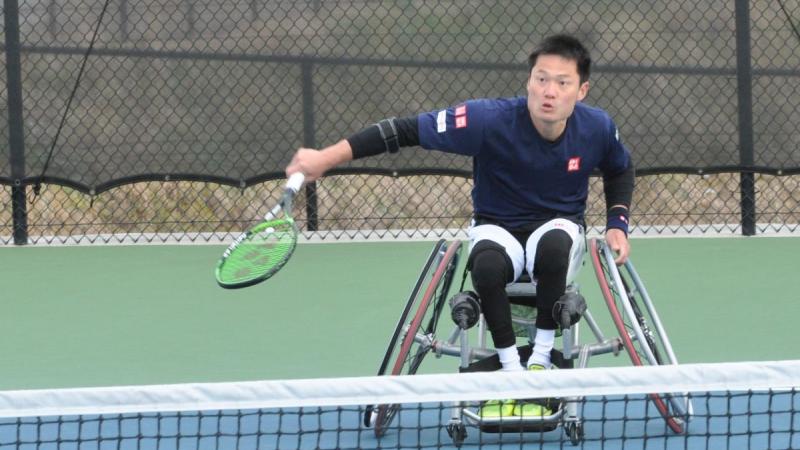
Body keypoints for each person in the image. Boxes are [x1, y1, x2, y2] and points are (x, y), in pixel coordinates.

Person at [286, 34, 634, 418]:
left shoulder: (597, 127)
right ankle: (510, 370)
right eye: (541, 78)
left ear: (581, 90)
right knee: (485, 267)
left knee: (553, 249)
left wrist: (618, 222)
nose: (548, 91)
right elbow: (404, 130)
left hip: (559, 228)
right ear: (528, 81)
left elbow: (620, 168)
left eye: (562, 82)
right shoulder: (488, 119)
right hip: (496, 226)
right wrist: (325, 158)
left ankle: (540, 361)